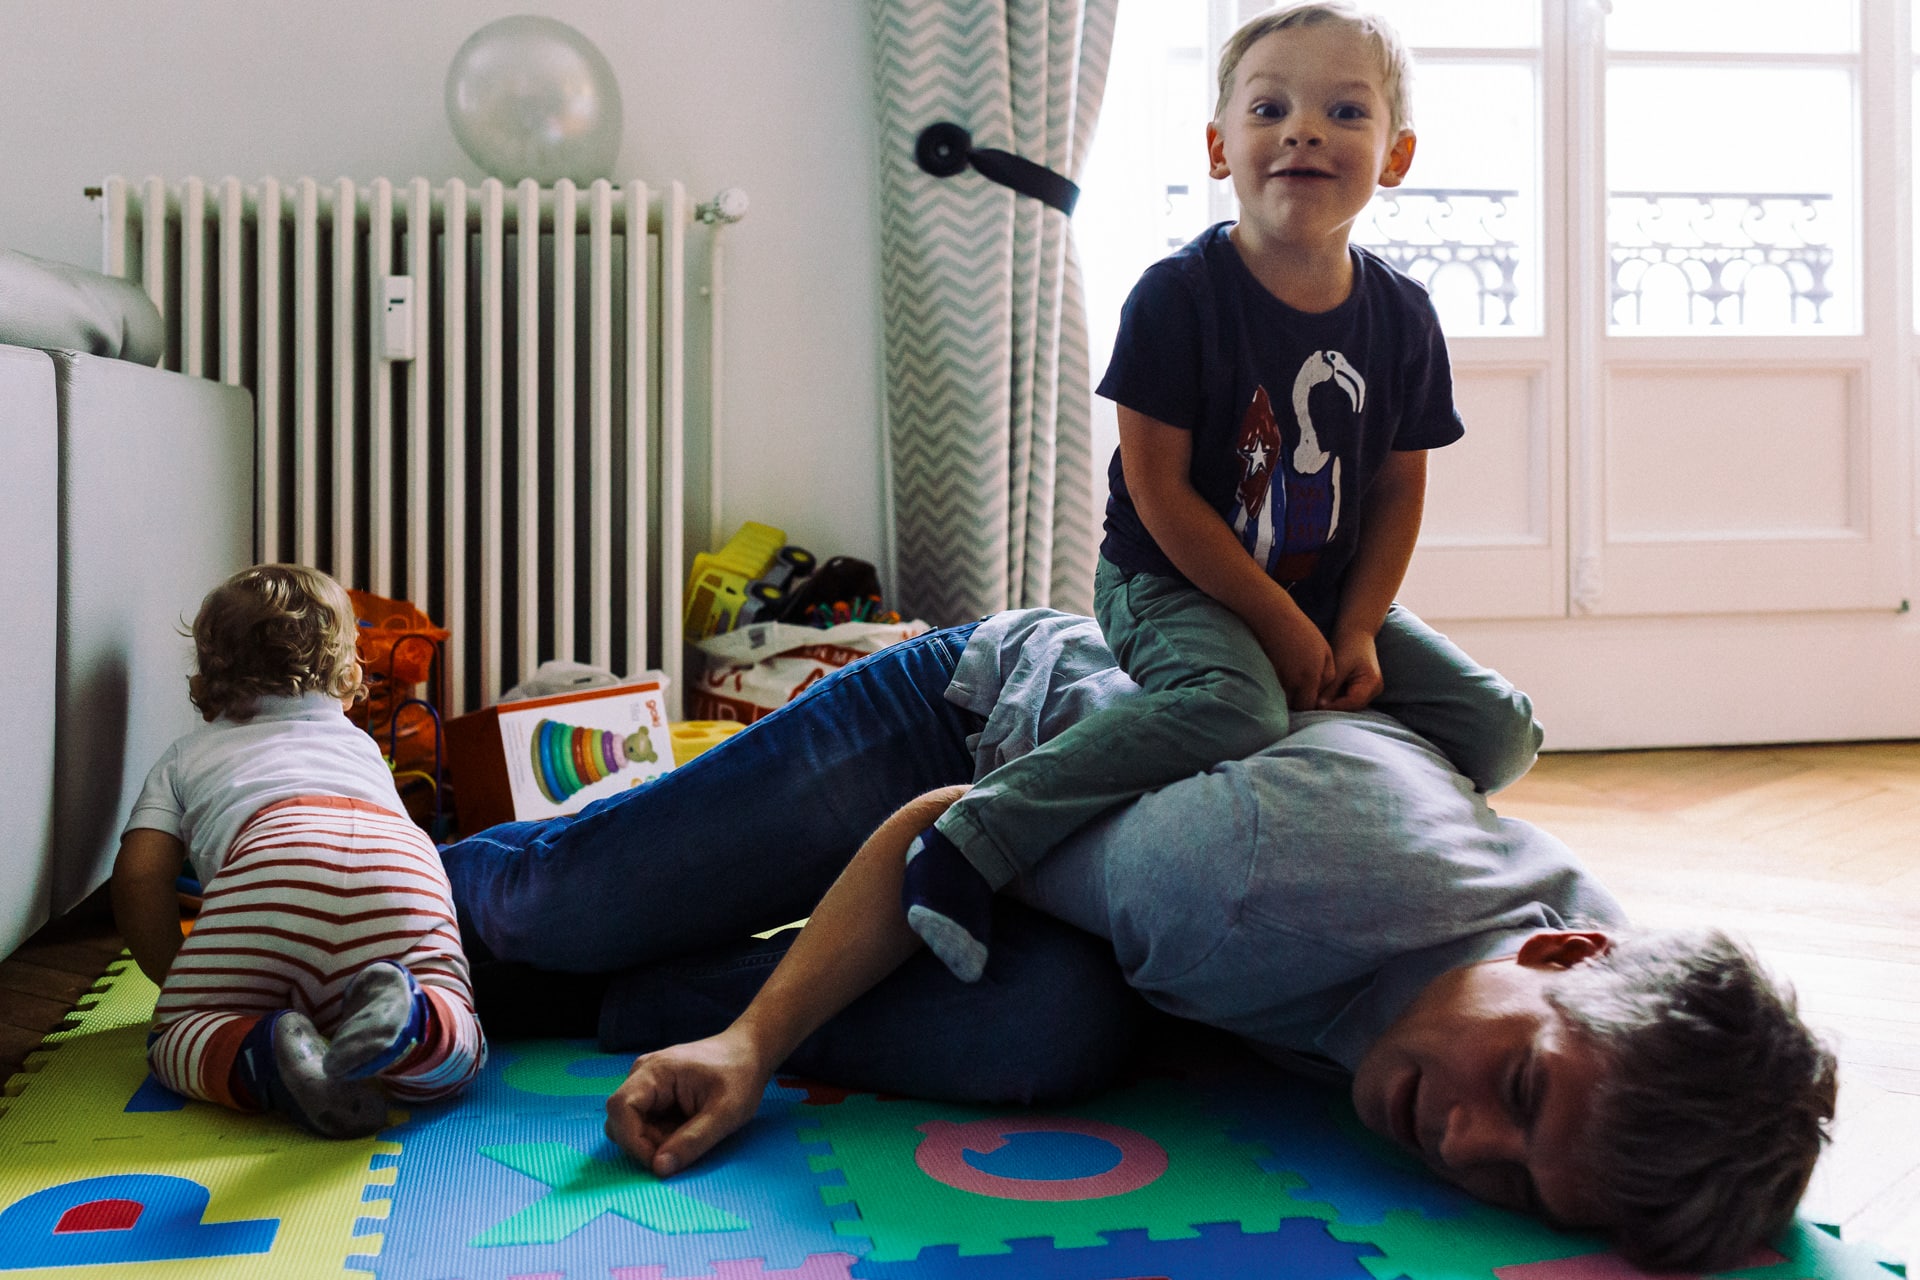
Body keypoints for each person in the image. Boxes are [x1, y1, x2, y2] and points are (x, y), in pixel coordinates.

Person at [443, 611, 1836, 1273]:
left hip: (1139, 892)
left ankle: (584, 1001)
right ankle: (348, 876)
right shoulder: (1241, 886)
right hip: (977, 725)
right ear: (1555, 959)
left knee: (1043, 1031)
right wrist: (751, 1047)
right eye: (1520, 1095)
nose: (1466, 1149)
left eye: (1524, 1188)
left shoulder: (1605, 1018)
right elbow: (948, 826)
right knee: (552, 909)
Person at [902, 3, 1491, 984]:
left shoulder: (1403, 314)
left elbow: (1396, 486)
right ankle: (975, 834)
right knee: (1235, 706)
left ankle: (1363, 816)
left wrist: (1350, 629)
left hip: (1318, 582)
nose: (1304, 128)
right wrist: (1282, 627)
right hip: (1169, 580)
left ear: (1396, 155)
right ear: (1221, 148)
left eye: (1346, 111)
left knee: (1498, 725)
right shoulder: (1177, 296)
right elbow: (1160, 492)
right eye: (1271, 108)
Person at [111, 564, 486, 1138]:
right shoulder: (360, 746)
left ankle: (260, 1053)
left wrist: (180, 978)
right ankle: (416, 1020)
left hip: (269, 864)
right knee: (461, 1028)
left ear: (208, 672)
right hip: (402, 864)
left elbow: (140, 877)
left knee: (176, 1038)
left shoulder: (186, 755)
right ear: (349, 669)